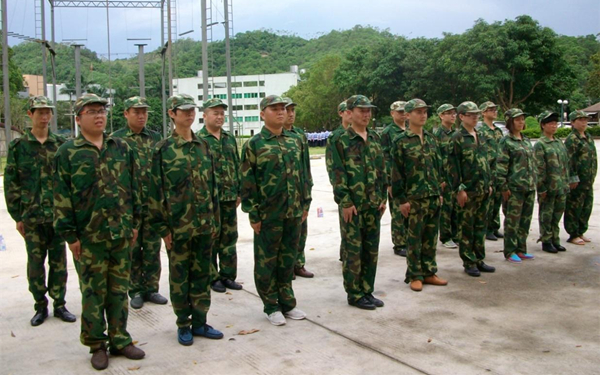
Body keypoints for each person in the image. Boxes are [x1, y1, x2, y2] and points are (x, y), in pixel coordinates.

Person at [54, 94, 145, 370]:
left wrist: (135, 224)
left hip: (121, 233)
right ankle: (96, 344)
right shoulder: (67, 153)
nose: (99, 115)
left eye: (102, 110)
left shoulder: (121, 147)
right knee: (93, 292)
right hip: (89, 238)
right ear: (78, 118)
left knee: (119, 290)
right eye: (92, 111)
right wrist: (71, 236)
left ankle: (120, 339)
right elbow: (61, 197)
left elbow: (134, 188)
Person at [149, 94, 223, 346]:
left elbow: (213, 186)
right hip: (177, 227)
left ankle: (201, 321)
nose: (189, 114)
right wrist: (162, 227)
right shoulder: (163, 149)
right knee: (180, 277)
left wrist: (215, 219)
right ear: (172, 114)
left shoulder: (203, 146)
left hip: (204, 225)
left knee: (203, 274)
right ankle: (183, 323)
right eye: (183, 110)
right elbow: (155, 191)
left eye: (192, 110)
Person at [4, 96, 76, 327]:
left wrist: (68, 214)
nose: (44, 117)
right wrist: (18, 216)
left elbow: (68, 181)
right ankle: (40, 305)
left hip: (56, 216)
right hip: (32, 216)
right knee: (35, 263)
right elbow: (12, 182)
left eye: (48, 112)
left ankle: (60, 304)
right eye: (40, 112)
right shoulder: (19, 146)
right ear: (30, 114)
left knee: (59, 262)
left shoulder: (60, 145)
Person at [240, 95, 310, 325]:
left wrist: (305, 203)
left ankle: (287, 303)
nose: (281, 112)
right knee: (267, 261)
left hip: (293, 211)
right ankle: (271, 305)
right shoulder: (255, 144)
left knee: (288, 260)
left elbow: (304, 174)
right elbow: (247, 182)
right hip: (269, 214)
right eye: (274, 109)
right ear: (262, 114)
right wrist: (253, 213)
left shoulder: (295, 140)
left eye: (283, 108)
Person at [330, 94, 387, 309]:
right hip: (352, 206)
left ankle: (367, 290)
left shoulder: (374, 138)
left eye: (369, 110)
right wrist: (345, 201)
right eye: (362, 110)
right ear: (350, 112)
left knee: (371, 250)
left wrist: (383, 198)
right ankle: (354, 293)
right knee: (353, 251)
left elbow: (382, 170)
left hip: (373, 204)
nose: (366, 114)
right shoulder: (340, 140)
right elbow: (336, 172)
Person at [112, 96, 167, 309]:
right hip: (129, 205)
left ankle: (152, 288)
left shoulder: (155, 138)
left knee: (153, 248)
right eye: (136, 111)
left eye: (144, 111)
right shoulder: (116, 140)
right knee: (133, 249)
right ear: (126, 114)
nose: (141, 115)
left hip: (152, 204)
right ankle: (134, 290)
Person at [391, 98, 447, 292]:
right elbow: (396, 173)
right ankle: (414, 274)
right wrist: (401, 200)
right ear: (408, 115)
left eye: (425, 112)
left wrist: (439, 192)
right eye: (418, 112)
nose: (423, 115)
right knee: (414, 239)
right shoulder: (401, 141)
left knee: (431, 237)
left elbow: (438, 167)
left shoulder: (432, 139)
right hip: (413, 198)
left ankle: (429, 271)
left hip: (432, 196)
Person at [197, 98, 243, 292]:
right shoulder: (198, 140)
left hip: (230, 197)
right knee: (211, 239)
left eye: (222, 113)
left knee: (229, 238)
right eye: (215, 113)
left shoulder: (229, 138)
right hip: (210, 200)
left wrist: (240, 191)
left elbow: (237, 165)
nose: (219, 116)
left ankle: (228, 275)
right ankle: (212, 276)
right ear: (205, 115)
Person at [448, 102, 495, 277]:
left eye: (476, 114)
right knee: (467, 227)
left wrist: (489, 183)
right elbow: (452, 166)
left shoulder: (481, 135)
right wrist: (459, 189)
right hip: (467, 190)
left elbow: (486, 162)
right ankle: (469, 261)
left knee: (480, 226)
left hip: (482, 188)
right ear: (461, 117)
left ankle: (479, 258)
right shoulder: (457, 138)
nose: (475, 117)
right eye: (470, 114)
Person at [496, 108, 536, 263]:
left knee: (525, 221)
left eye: (522, 119)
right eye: (517, 120)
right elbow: (501, 166)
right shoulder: (506, 141)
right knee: (512, 221)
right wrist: (503, 187)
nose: (521, 122)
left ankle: (521, 249)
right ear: (510, 122)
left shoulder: (526, 140)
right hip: (514, 188)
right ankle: (510, 250)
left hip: (529, 187)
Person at [282, 97, 315, 279]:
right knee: (287, 232)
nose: (291, 114)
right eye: (288, 110)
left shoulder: (299, 134)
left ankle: (298, 263)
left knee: (302, 229)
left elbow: (305, 165)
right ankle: (287, 265)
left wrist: (307, 188)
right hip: (284, 194)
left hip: (300, 188)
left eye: (293, 110)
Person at [533, 111, 570, 253]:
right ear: (543, 125)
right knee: (546, 215)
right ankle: (546, 240)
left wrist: (567, 182)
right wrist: (541, 187)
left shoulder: (558, 142)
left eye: (555, 123)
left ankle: (555, 239)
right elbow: (539, 168)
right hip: (548, 187)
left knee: (557, 215)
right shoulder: (540, 144)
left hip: (561, 186)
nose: (554, 126)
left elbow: (565, 164)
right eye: (550, 123)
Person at [564, 110, 597, 245]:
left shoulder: (588, 136)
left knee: (586, 206)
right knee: (574, 207)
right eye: (580, 120)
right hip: (577, 180)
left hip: (588, 180)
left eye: (585, 120)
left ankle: (581, 231)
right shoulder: (572, 139)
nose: (584, 122)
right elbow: (569, 160)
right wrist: (572, 177)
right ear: (572, 122)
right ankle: (573, 233)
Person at [380, 101, 408, 256]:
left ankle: (409, 239)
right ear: (392, 113)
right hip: (396, 178)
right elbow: (385, 158)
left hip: (410, 178)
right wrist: (390, 181)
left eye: (405, 111)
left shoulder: (410, 130)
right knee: (398, 212)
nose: (403, 114)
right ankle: (399, 243)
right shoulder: (388, 132)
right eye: (399, 112)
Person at [326, 100, 352, 262]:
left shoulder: (365, 134)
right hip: (347, 191)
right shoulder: (336, 137)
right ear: (341, 113)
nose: (350, 114)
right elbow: (333, 168)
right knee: (348, 227)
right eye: (347, 111)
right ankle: (347, 255)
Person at [433, 103, 459, 249]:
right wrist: (440, 178)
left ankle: (456, 235)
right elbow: (435, 158)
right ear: (441, 116)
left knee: (456, 207)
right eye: (449, 113)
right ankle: (446, 236)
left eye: (454, 113)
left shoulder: (456, 134)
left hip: (455, 177)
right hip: (444, 177)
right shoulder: (437, 135)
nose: (452, 115)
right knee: (446, 208)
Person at [478, 101, 505, 241]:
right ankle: (486, 228)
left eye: (495, 109)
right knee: (487, 201)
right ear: (483, 113)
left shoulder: (498, 131)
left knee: (497, 200)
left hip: (498, 170)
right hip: (487, 170)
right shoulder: (481, 131)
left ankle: (494, 226)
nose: (494, 112)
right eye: (491, 110)